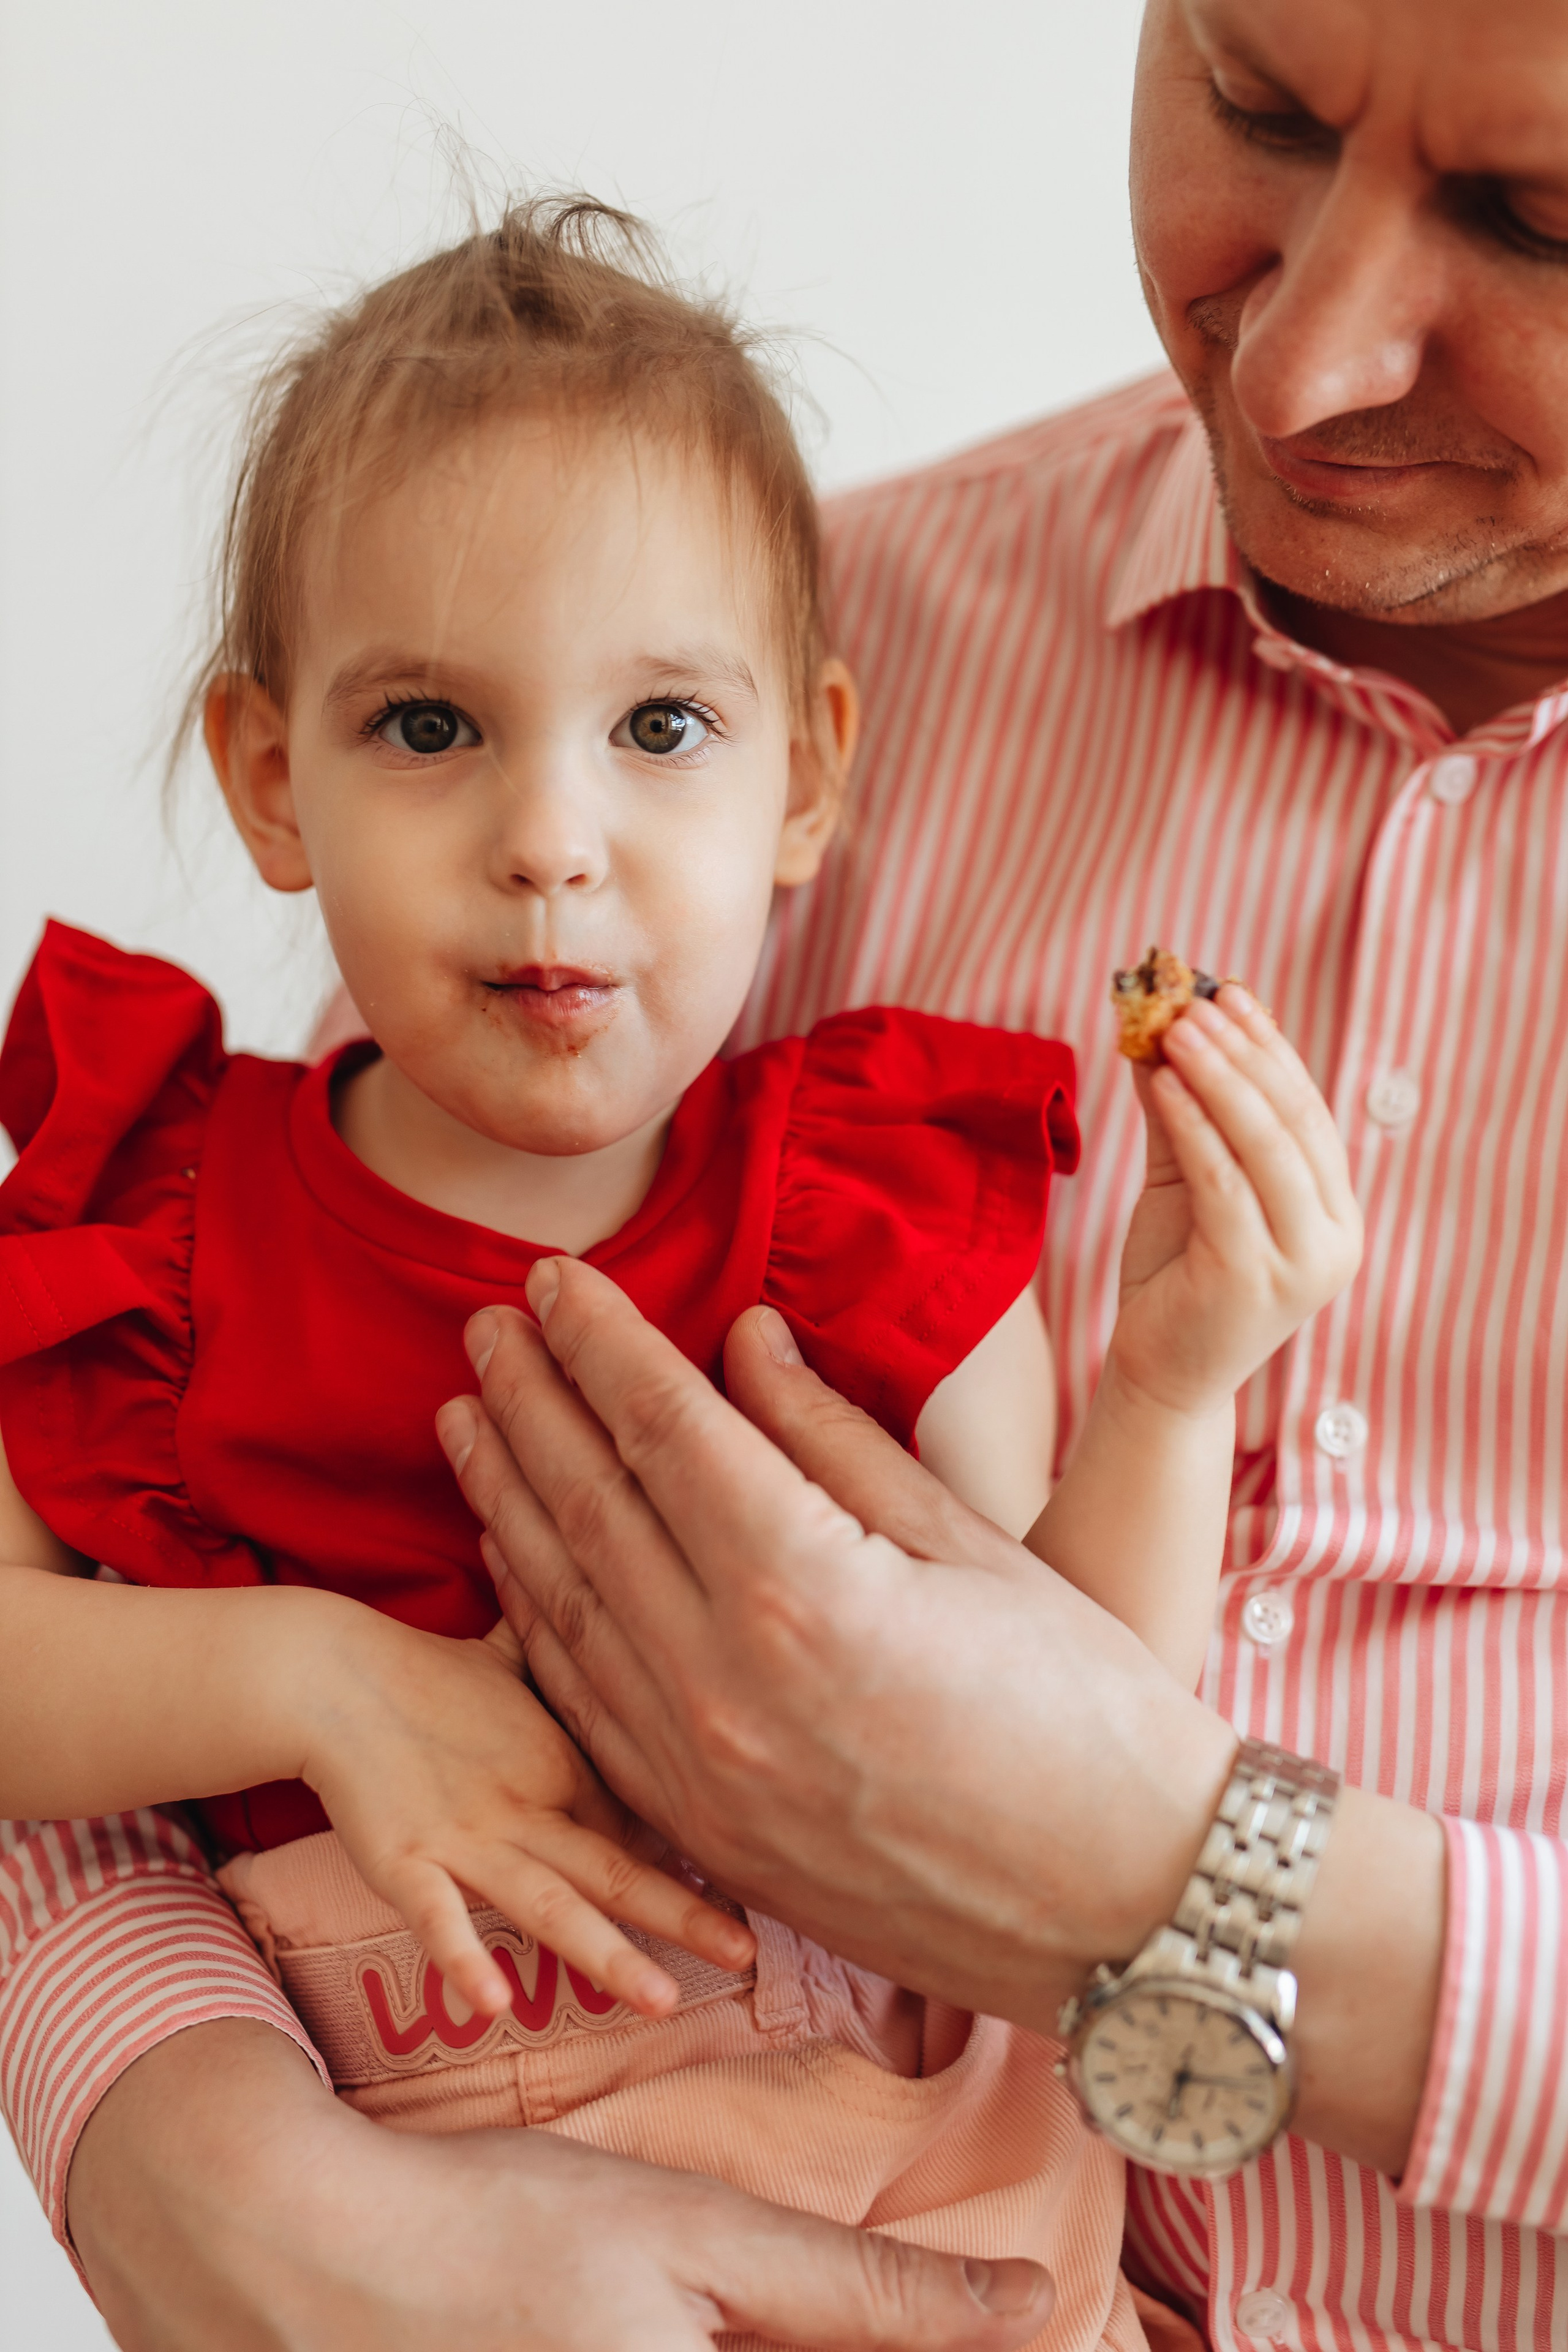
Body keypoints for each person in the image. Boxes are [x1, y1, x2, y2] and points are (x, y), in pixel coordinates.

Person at [6, 0, 1568, 2345]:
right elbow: (94, 1715)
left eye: (1543, 217)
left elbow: (1088, 1690)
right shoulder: (767, 660)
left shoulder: (870, 1183)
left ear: (796, 771)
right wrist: (182, 2142)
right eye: (1258, 105)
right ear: (269, 766)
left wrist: (1158, 1437)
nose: (1305, 364)